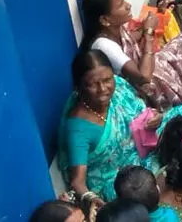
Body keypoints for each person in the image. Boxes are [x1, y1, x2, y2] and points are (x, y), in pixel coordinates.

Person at [80, 0, 182, 108]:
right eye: (120, 5)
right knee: (170, 69)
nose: (128, 5)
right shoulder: (104, 45)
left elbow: (130, 39)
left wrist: (155, 18)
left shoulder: (114, 29)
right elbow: (144, 78)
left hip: (148, 66)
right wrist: (149, 33)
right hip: (143, 88)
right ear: (104, 20)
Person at [58, 51, 156, 205]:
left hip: (142, 148)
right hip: (115, 179)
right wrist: (93, 199)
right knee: (139, 190)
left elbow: (142, 111)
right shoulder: (78, 127)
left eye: (107, 80)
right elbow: (77, 182)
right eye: (93, 84)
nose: (103, 89)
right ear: (79, 87)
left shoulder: (119, 87)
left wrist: (156, 118)